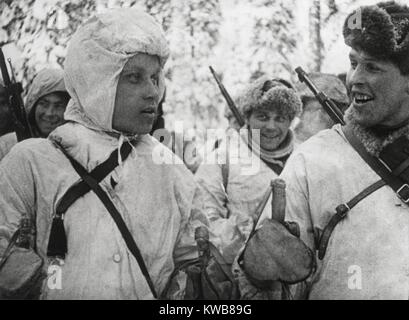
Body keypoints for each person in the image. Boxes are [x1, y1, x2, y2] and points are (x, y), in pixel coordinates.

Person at [0, 8, 208, 299]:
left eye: (155, 77)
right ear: (96, 81)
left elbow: (192, 268)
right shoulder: (31, 163)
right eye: (134, 77)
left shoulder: (170, 170)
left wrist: (245, 267)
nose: (152, 92)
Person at [241, 1, 409, 299]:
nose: (355, 78)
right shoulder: (313, 159)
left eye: (372, 67)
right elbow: (264, 287)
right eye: (354, 62)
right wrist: (261, 273)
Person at [195, 76, 302, 265]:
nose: (271, 126)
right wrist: (247, 235)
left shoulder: (306, 159)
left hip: (300, 277)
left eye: (280, 118)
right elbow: (203, 223)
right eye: (263, 117)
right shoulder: (222, 159)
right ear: (247, 117)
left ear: (290, 121)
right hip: (238, 275)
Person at [0, 68, 70, 161]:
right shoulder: (5, 146)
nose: (49, 113)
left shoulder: (75, 147)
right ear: (33, 106)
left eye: (58, 106)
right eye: (44, 104)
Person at [293, 72, 349, 145]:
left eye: (325, 111)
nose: (318, 116)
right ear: (300, 112)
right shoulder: (285, 144)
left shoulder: (342, 145)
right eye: (312, 109)